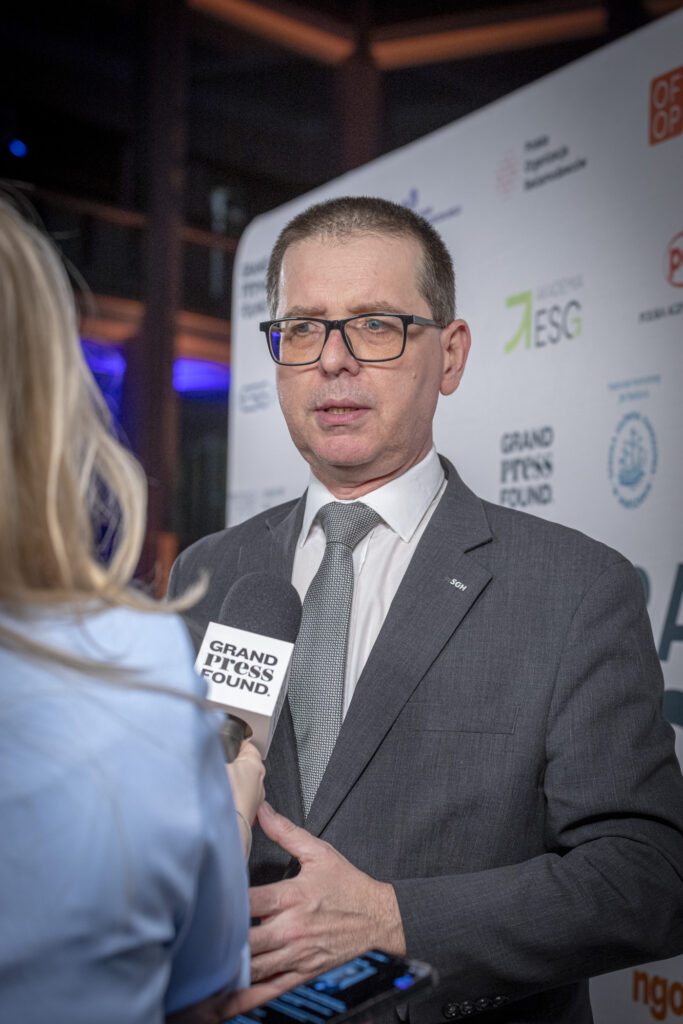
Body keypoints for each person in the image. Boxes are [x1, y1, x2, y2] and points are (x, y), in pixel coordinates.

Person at [168, 196, 683, 1024]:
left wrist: (397, 921)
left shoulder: (575, 587)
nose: (333, 360)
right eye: (302, 328)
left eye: (375, 325)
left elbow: (647, 876)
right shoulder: (207, 573)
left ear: (449, 354)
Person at [0, 196, 265, 1024]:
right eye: (297, 331)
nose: (331, 362)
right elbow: (200, 988)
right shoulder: (140, 653)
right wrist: (225, 813)